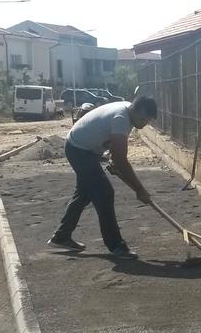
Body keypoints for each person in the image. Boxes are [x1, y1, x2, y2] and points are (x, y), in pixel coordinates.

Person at [47, 96, 158, 259]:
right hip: (79, 149)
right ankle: (116, 246)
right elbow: (121, 160)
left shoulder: (128, 111)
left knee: (84, 194)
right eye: (142, 119)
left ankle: (61, 236)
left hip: (83, 148)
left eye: (147, 121)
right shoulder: (121, 119)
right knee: (104, 193)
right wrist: (140, 190)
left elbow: (116, 154)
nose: (143, 124)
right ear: (135, 110)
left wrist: (113, 160)